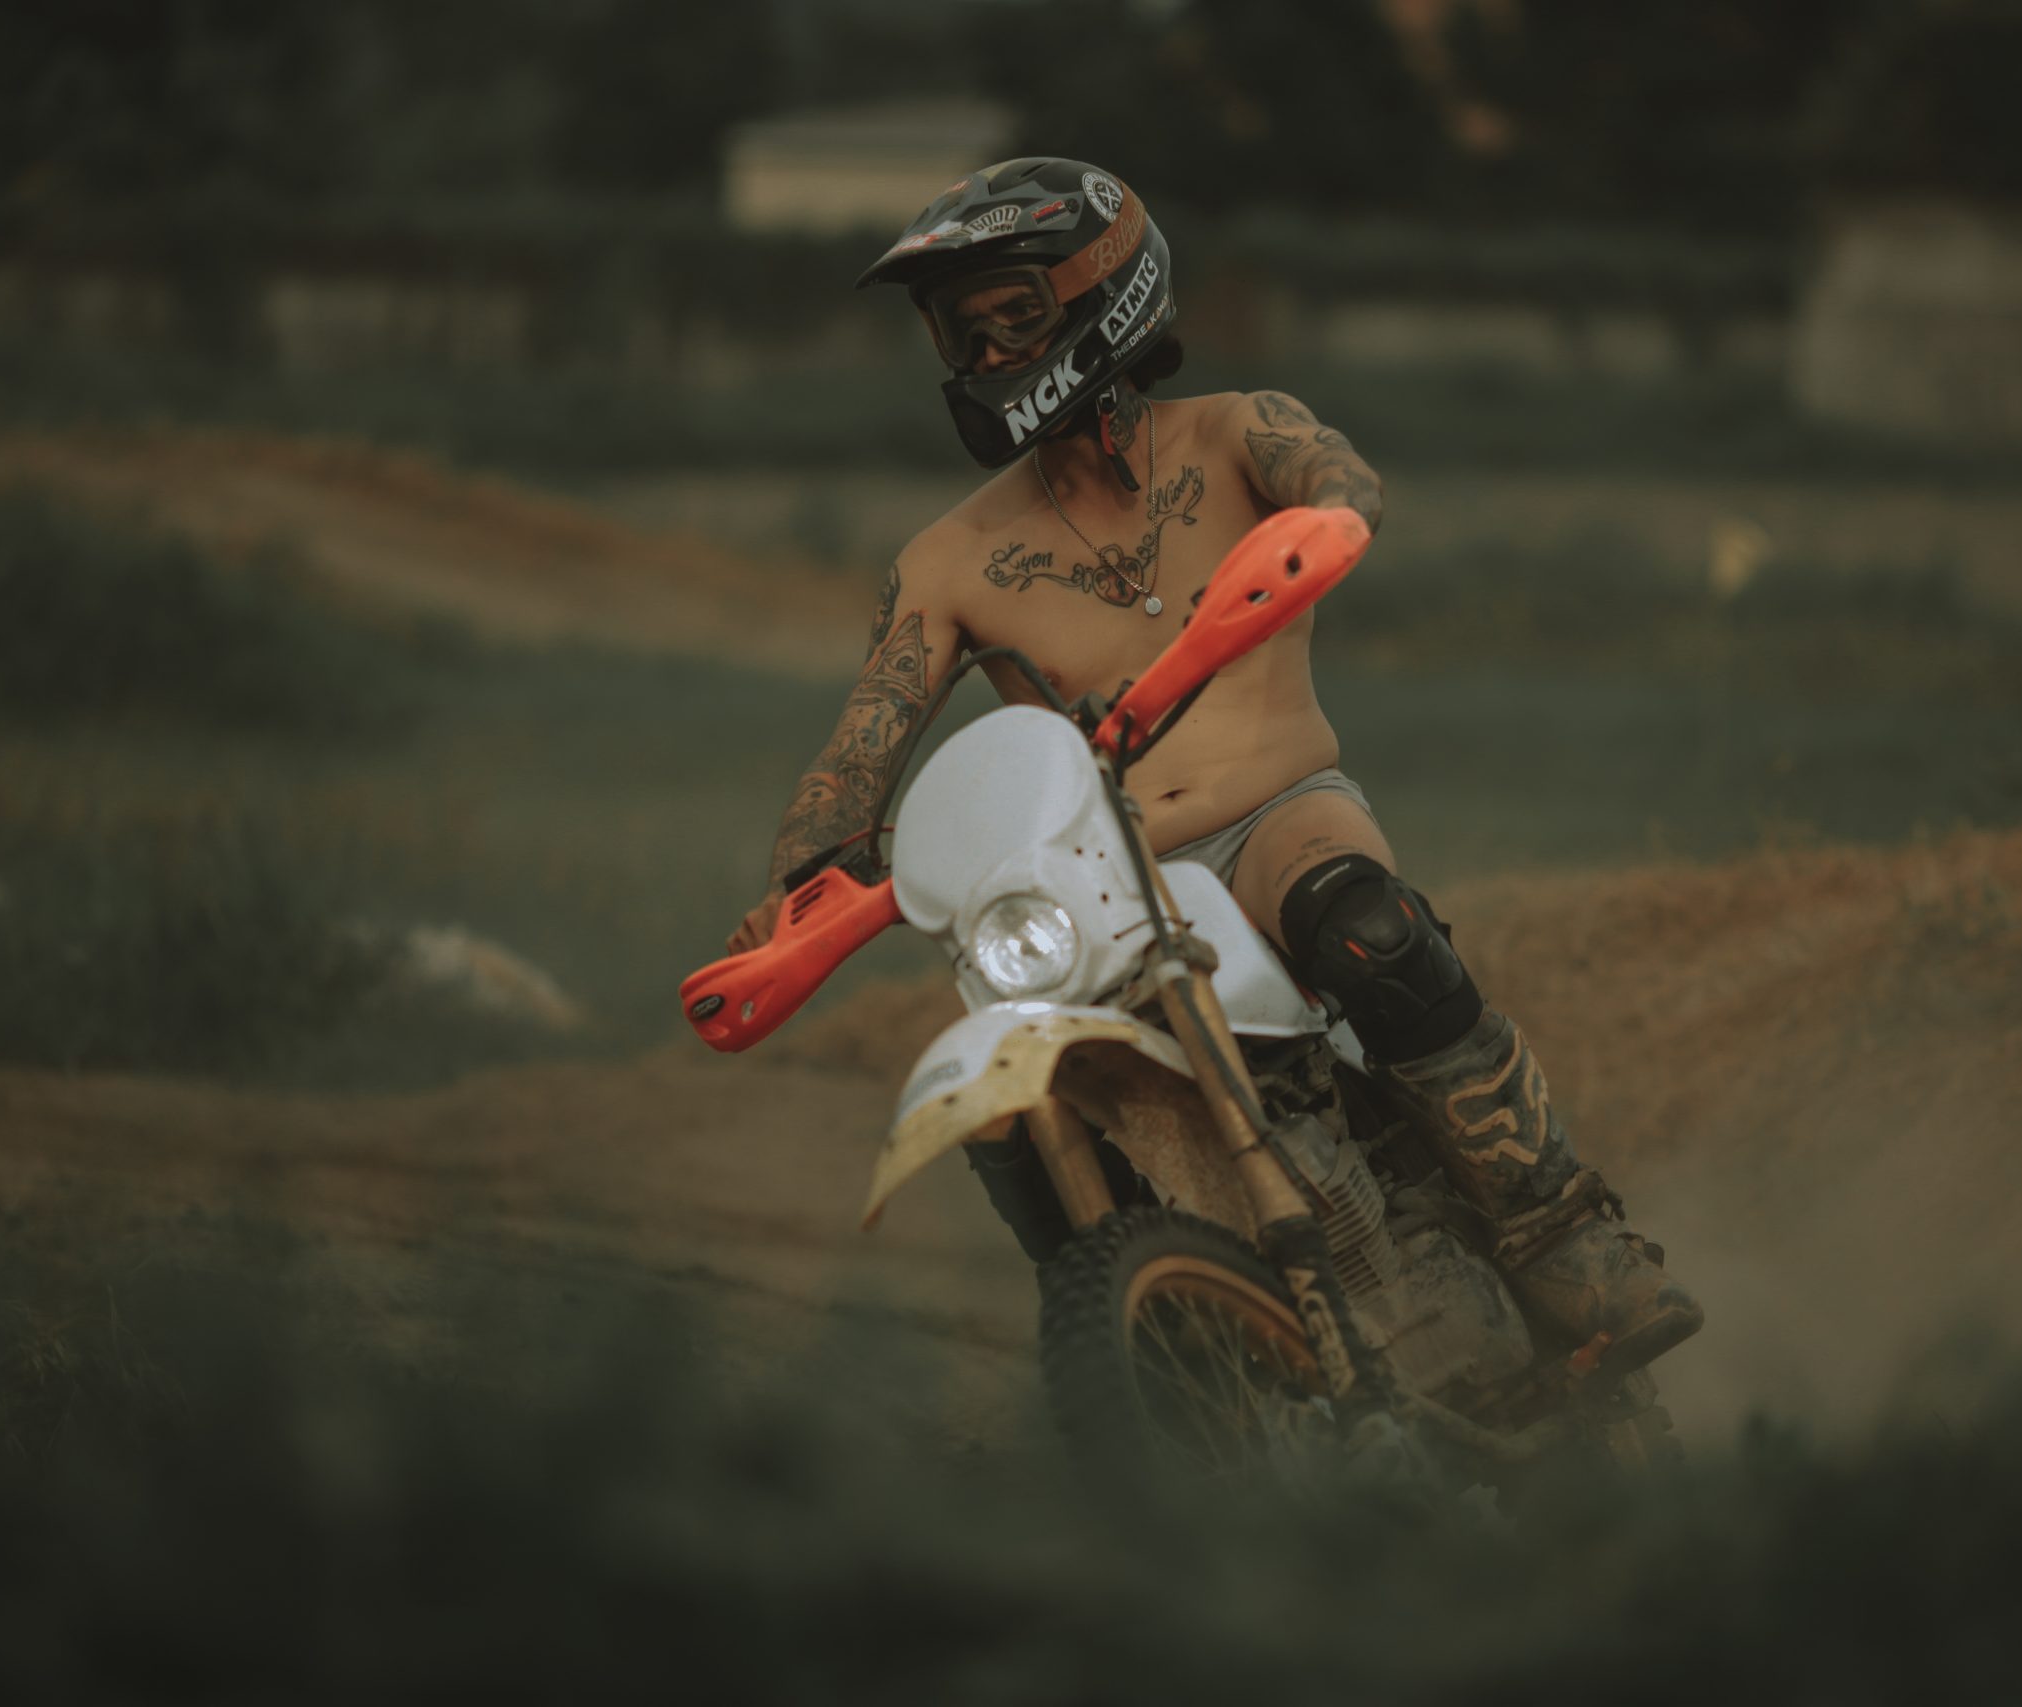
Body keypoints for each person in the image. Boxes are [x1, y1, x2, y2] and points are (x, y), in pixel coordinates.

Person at [727, 158, 1701, 1374]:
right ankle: (1156, 1349)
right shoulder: (945, 559)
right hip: (1099, 879)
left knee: (1369, 931)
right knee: (1010, 1117)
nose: (984, 354)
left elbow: (1340, 483)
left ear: (1104, 293)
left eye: (1012, 315)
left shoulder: (1241, 429)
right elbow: (860, 744)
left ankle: (1559, 1231)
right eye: (958, 331)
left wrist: (1330, 516)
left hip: (1280, 818)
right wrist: (795, 888)